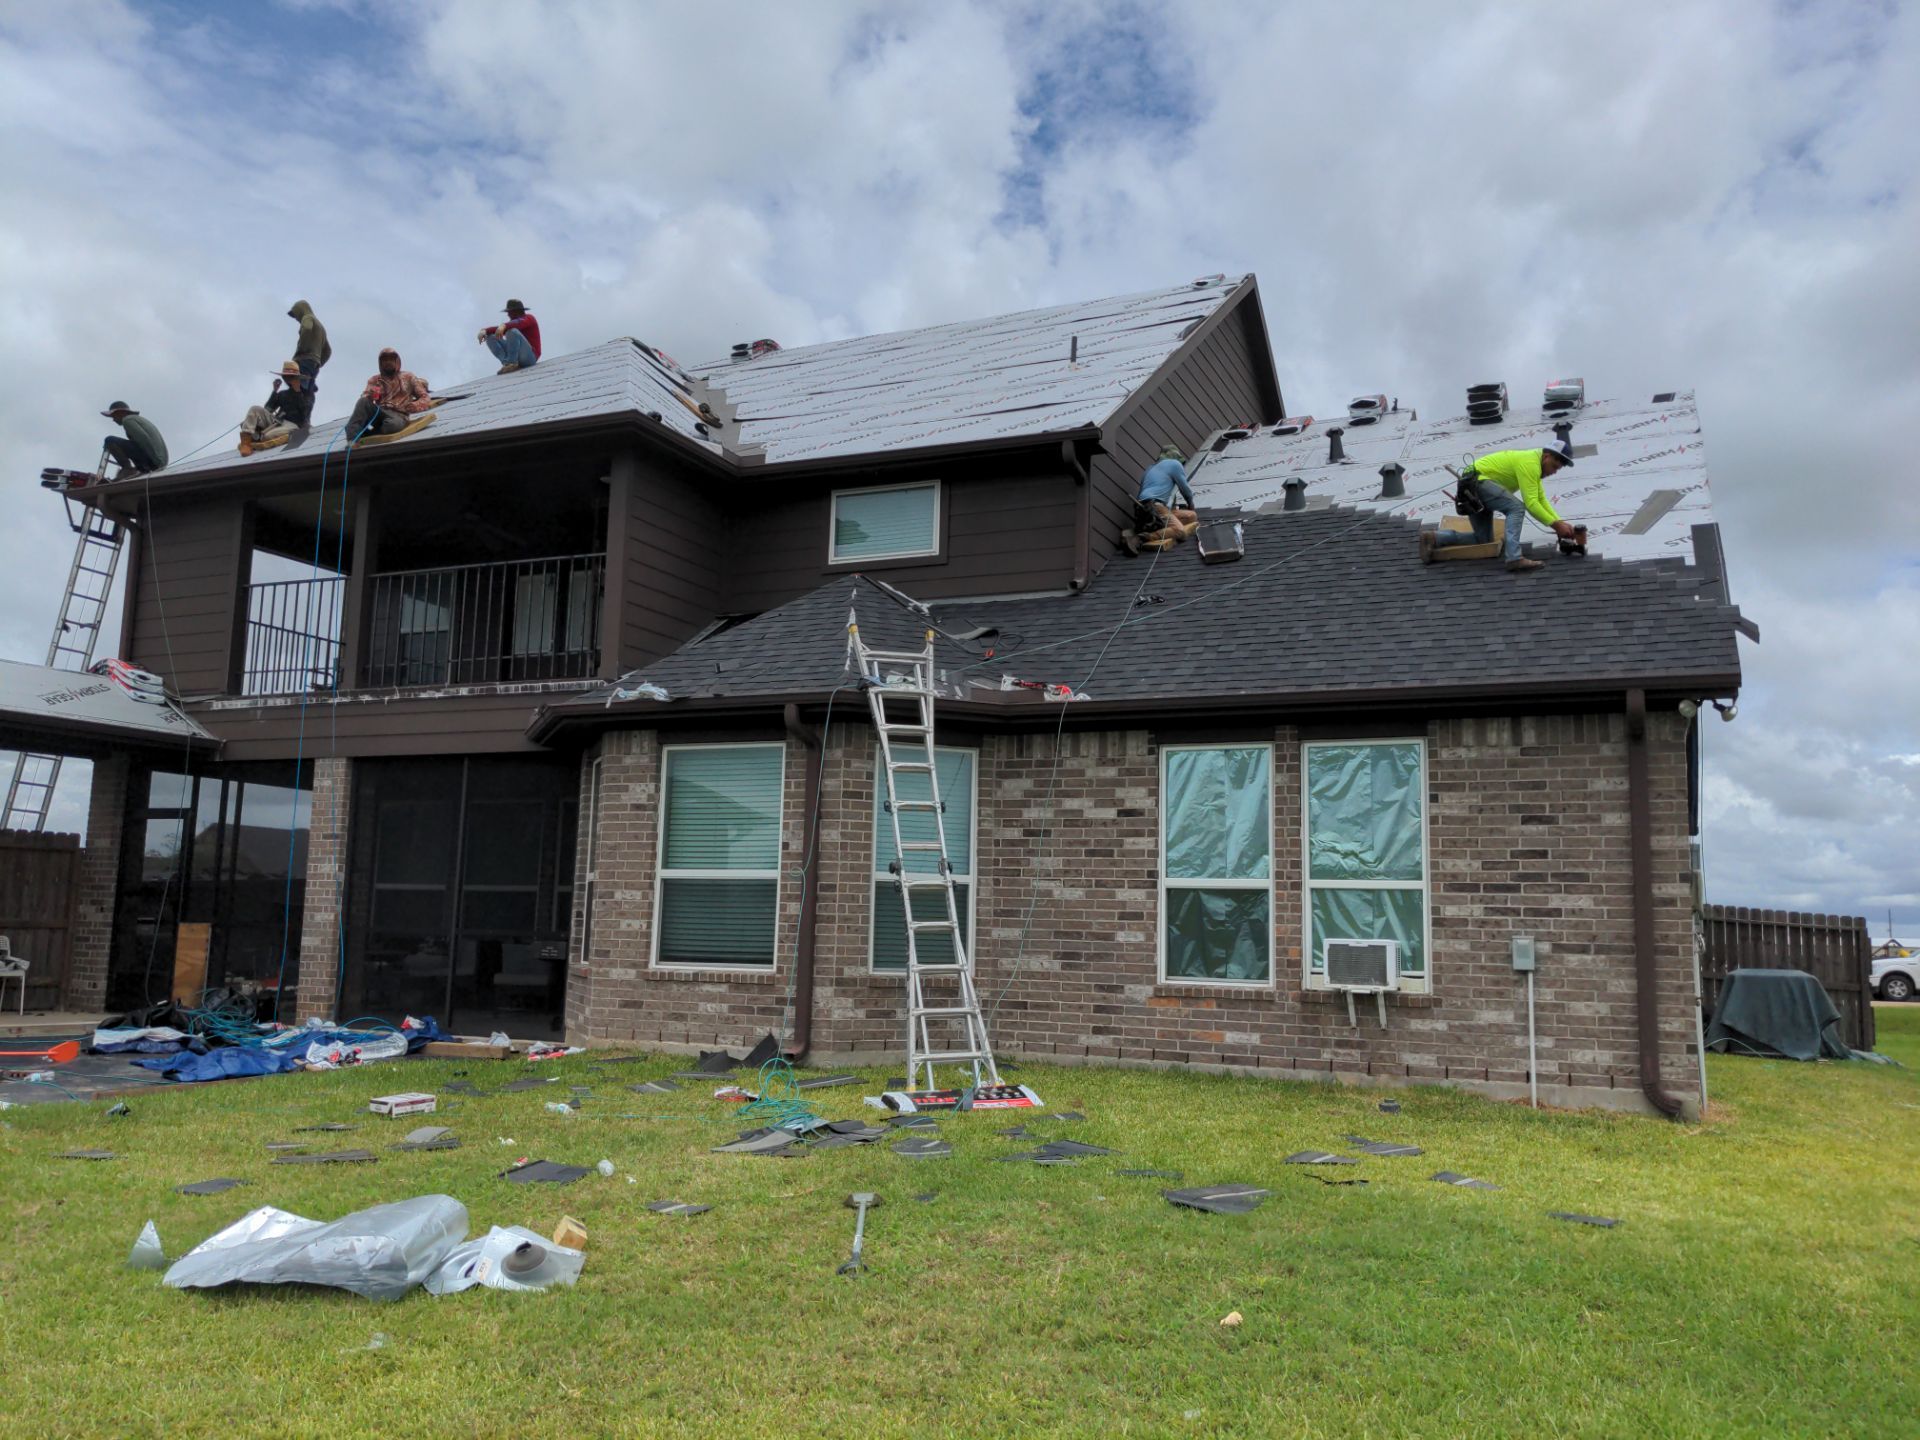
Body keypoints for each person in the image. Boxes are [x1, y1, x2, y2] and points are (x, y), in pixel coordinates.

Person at [1423, 436, 1582, 573]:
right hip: (1477, 482)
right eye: (1554, 466)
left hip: (1471, 490)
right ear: (1546, 456)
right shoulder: (1530, 463)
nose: (1554, 472)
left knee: (1483, 539)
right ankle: (1514, 557)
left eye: (1558, 469)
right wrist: (1555, 526)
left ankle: (1434, 538)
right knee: (1517, 507)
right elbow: (1532, 503)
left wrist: (1559, 522)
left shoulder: (1534, 463)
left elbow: (1541, 499)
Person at [1123, 444, 1198, 554]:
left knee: (1191, 516)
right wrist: (1191, 505)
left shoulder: (1149, 469)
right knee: (1180, 532)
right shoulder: (1174, 464)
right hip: (1155, 506)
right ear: (1175, 456)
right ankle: (1141, 538)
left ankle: (1153, 529)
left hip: (1144, 510)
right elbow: (1185, 490)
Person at [346, 348, 433, 438]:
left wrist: (416, 404)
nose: (388, 362)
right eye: (385, 360)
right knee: (362, 401)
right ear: (380, 363)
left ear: (397, 361)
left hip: (399, 415)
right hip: (380, 412)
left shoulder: (408, 377)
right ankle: (352, 437)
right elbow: (365, 397)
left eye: (391, 359)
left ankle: (371, 431)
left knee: (392, 425)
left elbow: (425, 397)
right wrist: (370, 396)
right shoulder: (375, 380)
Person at [238, 361, 314, 454]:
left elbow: (305, 414)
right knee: (254, 409)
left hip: (293, 424)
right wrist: (275, 391)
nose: (288, 380)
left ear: (297, 378)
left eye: (291, 377)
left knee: (267, 436)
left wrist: (298, 392)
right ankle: (246, 442)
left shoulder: (307, 394)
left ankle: (258, 436)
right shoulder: (283, 394)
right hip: (278, 421)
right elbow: (268, 409)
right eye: (286, 377)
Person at [99, 401, 167, 477]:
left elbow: (143, 439)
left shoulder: (128, 420)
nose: (113, 420)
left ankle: (127, 469)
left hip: (155, 461)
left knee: (109, 440)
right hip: (158, 460)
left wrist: (151, 465)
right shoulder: (136, 419)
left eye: (114, 416)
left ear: (120, 413)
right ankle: (140, 468)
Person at [479, 298, 541, 373]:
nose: (508, 314)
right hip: (518, 358)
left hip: (530, 358)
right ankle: (507, 363)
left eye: (510, 312)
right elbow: (500, 329)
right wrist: (485, 331)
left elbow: (519, 323)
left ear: (516, 311)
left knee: (512, 331)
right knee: (490, 337)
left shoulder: (529, 318)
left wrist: (504, 325)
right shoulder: (511, 324)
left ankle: (512, 363)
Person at [288, 300, 331, 389]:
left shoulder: (307, 318)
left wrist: (302, 349)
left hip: (304, 360)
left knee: (297, 388)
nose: (296, 319)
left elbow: (307, 328)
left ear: (300, 310)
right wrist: (318, 362)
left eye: (296, 315)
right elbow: (328, 351)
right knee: (307, 392)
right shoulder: (321, 326)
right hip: (314, 364)